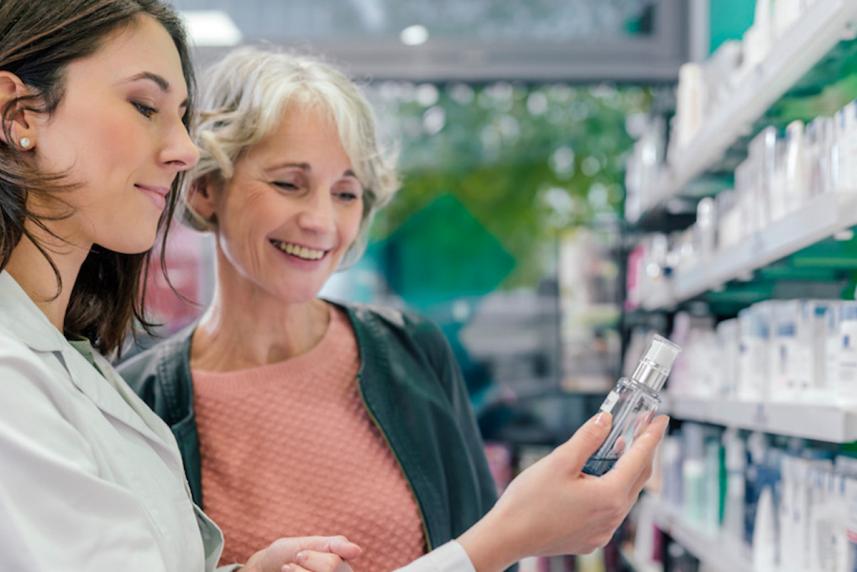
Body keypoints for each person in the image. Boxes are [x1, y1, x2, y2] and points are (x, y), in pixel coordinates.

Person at [0, 2, 667, 571]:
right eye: (288, 182)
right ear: (208, 190)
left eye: (346, 192)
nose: (320, 220)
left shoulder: (408, 354)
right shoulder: (113, 387)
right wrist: (503, 540)